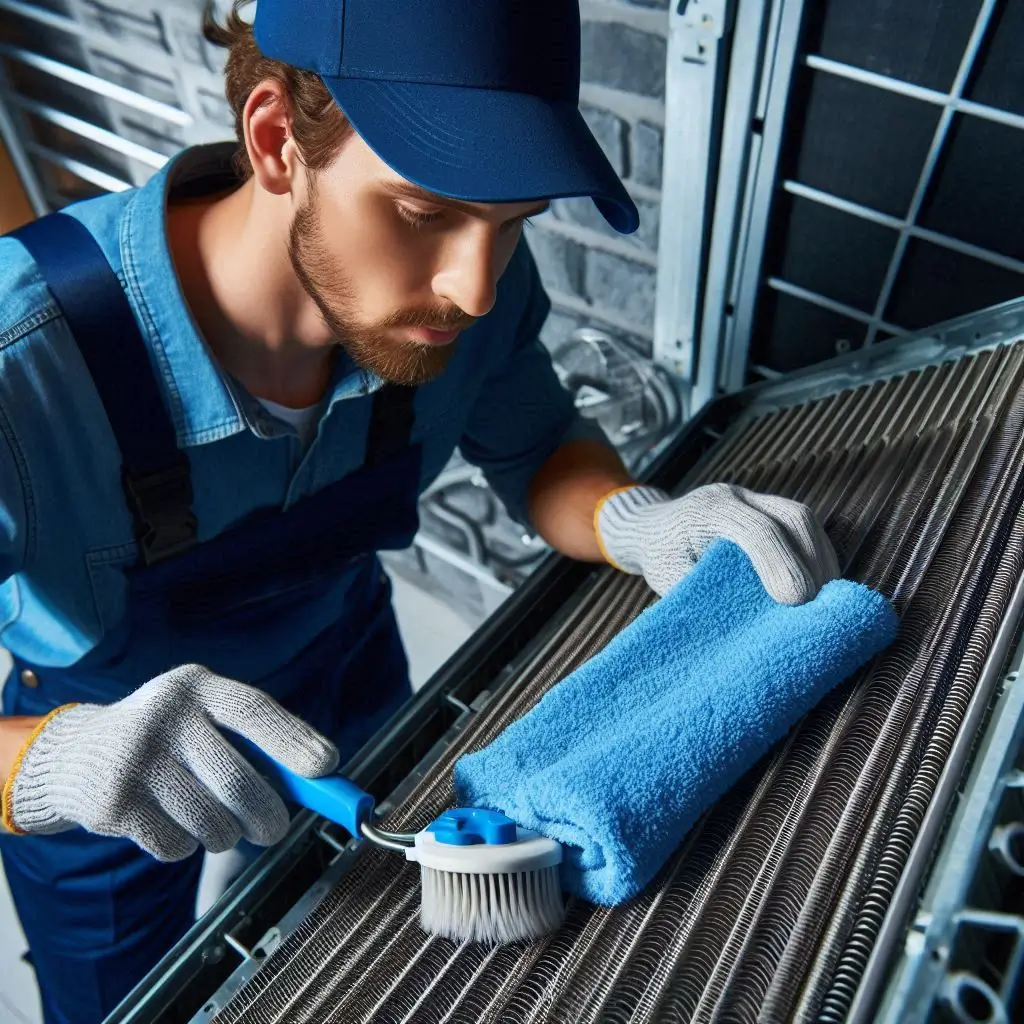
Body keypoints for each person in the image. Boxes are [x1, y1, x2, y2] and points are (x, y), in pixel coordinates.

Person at [0, 1, 840, 1020]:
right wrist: (50, 763)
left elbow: (536, 446)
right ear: (275, 142)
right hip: (105, 759)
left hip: (349, 670)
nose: (474, 290)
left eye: (510, 222)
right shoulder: (22, 369)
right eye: (424, 211)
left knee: (345, 941)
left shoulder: (448, 296)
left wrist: (632, 517)